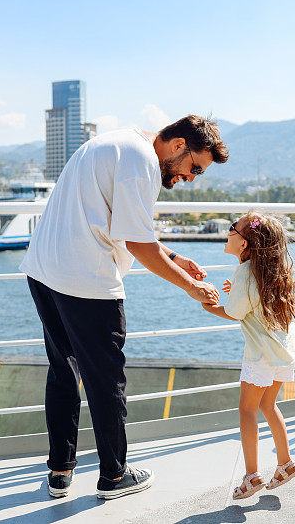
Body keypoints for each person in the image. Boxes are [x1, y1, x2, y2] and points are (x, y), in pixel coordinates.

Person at [20, 115, 229, 500]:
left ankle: (60, 471)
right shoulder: (142, 164)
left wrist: (176, 257)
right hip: (86, 278)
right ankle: (115, 476)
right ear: (179, 145)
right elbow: (137, 244)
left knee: (63, 371)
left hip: (44, 269)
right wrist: (192, 288)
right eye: (194, 168)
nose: (191, 178)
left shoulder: (121, 144)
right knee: (106, 380)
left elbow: (126, 225)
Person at [201, 211, 295, 500]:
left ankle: (251, 476)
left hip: (261, 354)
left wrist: (208, 305)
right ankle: (285, 463)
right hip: (282, 352)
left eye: (233, 229)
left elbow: (235, 311)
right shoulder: (270, 272)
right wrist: (234, 290)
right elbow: (252, 300)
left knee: (247, 409)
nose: (229, 232)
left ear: (245, 244)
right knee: (268, 405)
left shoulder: (244, 273)